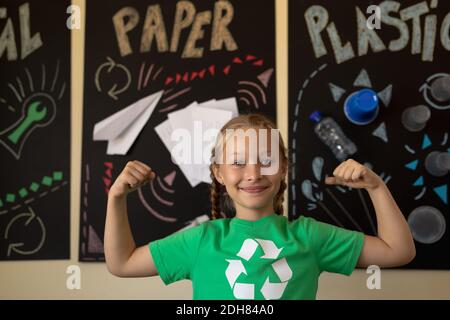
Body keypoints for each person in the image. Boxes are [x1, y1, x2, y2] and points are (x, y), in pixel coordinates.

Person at [104, 113, 415, 300]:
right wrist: (115, 198)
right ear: (219, 173)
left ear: (283, 168)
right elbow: (122, 263)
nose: (253, 173)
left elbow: (398, 251)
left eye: (265, 161)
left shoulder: (310, 237)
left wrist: (377, 187)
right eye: (238, 162)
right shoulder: (201, 240)